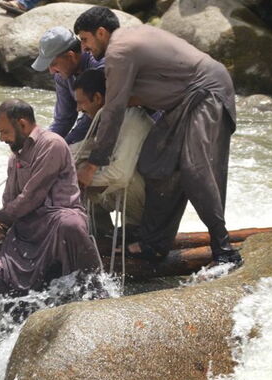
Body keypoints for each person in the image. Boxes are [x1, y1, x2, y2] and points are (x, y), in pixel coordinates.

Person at [73, 7, 242, 268]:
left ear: (101, 32)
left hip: (206, 91)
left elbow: (114, 109)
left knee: (194, 169)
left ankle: (224, 249)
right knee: (155, 162)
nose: (84, 48)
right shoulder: (126, 42)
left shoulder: (119, 50)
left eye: (85, 39)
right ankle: (155, 243)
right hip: (182, 102)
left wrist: (92, 165)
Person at [0, 99, 102, 296]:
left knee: (69, 224)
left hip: (56, 221)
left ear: (22, 124)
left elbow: (32, 197)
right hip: (27, 230)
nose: (2, 139)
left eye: (4, 132)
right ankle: (21, 322)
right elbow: (9, 200)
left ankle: (96, 290)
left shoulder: (52, 144)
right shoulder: (15, 157)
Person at [70, 68, 153, 240]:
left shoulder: (133, 118)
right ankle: (100, 234)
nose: (78, 109)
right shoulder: (105, 119)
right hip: (124, 193)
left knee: (111, 175)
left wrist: (78, 182)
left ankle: (134, 231)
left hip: (149, 204)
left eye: (81, 102)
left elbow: (120, 175)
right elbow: (84, 150)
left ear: (98, 98)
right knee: (76, 164)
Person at [31, 26, 104, 145]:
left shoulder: (98, 66)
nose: (51, 71)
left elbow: (91, 117)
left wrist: (65, 145)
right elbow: (63, 120)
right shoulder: (62, 76)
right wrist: (43, 144)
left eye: (53, 64)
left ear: (71, 56)